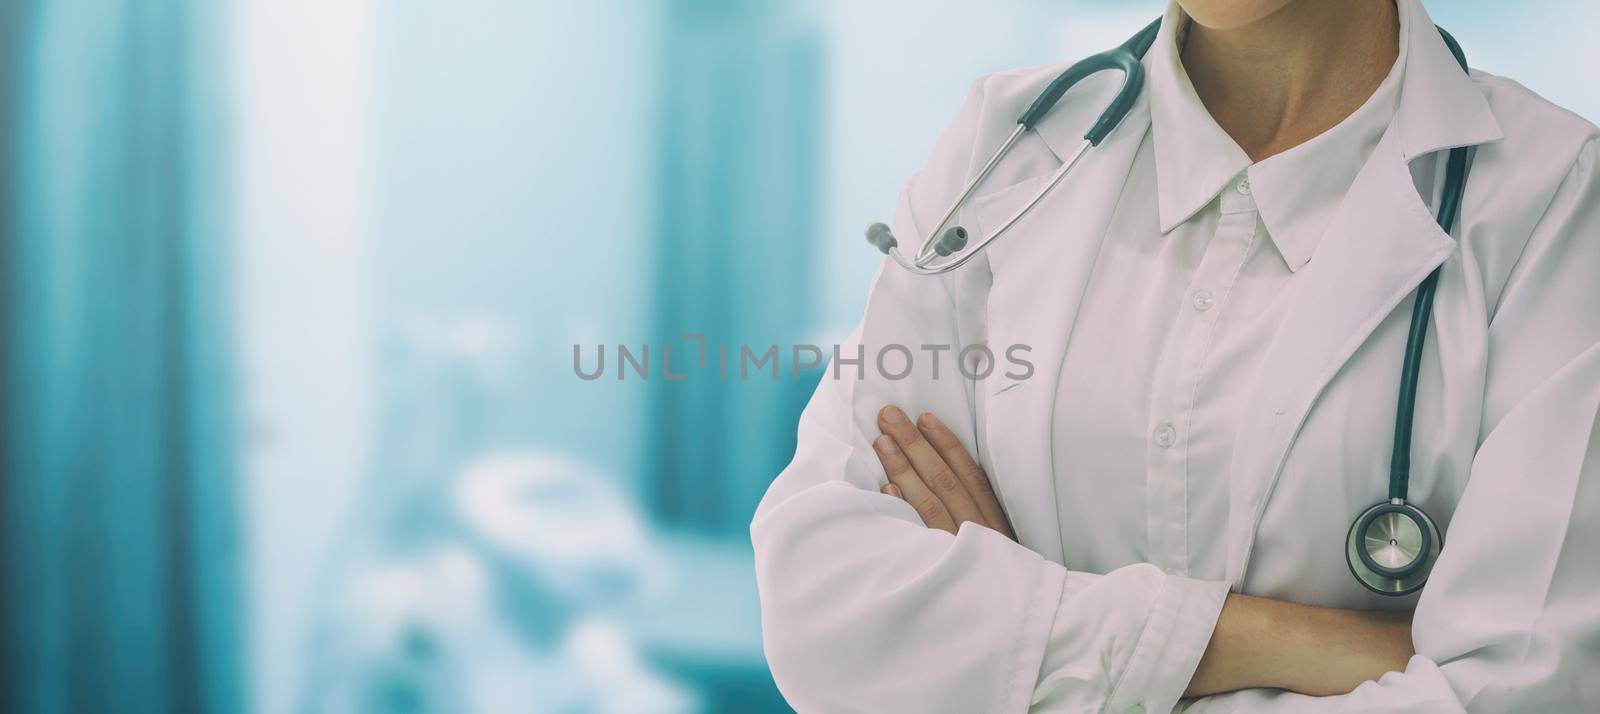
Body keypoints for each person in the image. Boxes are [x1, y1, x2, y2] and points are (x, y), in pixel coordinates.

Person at [751, 0, 1600, 711]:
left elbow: (1524, 693)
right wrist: (1293, 643)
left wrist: (1013, 639)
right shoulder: (1005, 151)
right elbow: (826, 606)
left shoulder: (1552, 205)